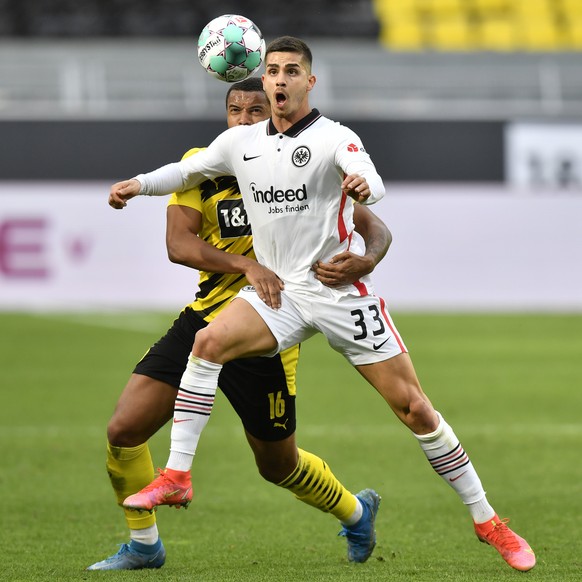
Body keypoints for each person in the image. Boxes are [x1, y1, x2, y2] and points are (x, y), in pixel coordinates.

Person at [109, 37, 536, 572]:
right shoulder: (239, 145)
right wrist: (137, 185)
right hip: (280, 293)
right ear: (260, 79)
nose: (281, 79)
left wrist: (365, 185)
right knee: (208, 342)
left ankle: (487, 521)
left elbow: (368, 181)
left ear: (309, 82)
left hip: (336, 293)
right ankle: (176, 477)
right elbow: (182, 172)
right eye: (273, 71)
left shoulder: (336, 137)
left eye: (292, 72)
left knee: (415, 409)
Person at [88, 77, 392, 571]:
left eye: (257, 110)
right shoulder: (204, 163)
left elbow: (372, 225)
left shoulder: (300, 158)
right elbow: (178, 245)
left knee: (278, 466)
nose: (246, 119)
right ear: (226, 115)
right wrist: (247, 266)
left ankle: (356, 512)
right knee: (124, 429)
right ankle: (144, 546)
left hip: (269, 332)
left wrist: (368, 259)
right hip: (207, 320)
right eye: (236, 110)